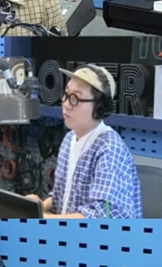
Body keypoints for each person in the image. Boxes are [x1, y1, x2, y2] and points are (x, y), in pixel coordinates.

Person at [29, 65, 143, 218]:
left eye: (75, 98)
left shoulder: (109, 150)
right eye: (66, 94)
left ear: (99, 106)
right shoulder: (69, 139)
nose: (66, 104)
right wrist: (39, 207)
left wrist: (40, 218)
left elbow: (100, 218)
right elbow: (61, 195)